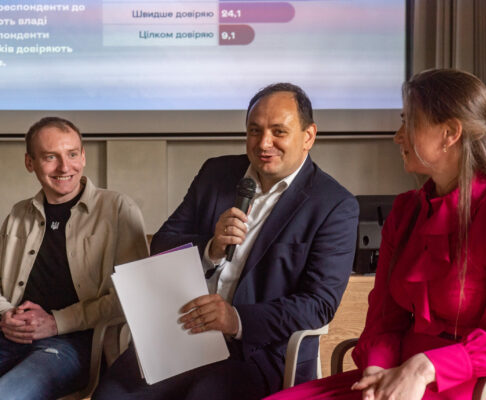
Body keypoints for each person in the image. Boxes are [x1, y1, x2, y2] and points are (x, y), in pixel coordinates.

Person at [265, 69, 486, 400]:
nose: (398, 137)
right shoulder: (406, 211)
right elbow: (384, 320)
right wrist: (376, 369)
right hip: (400, 375)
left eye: (408, 123)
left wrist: (424, 368)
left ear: (450, 133)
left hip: (479, 383)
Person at [92, 83, 359, 400]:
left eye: (278, 132)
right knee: (110, 395)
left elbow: (318, 304)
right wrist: (211, 248)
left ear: (308, 136)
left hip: (258, 352)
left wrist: (236, 319)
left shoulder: (333, 204)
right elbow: (162, 244)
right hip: (181, 337)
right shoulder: (216, 173)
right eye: (255, 131)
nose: (264, 143)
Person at [0, 117, 149, 400]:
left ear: (83, 156)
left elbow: (134, 297)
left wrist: (56, 322)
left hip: (74, 344)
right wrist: (5, 313)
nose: (64, 167)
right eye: (50, 157)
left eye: (71, 154)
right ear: (30, 162)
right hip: (11, 335)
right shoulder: (18, 214)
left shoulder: (118, 208)